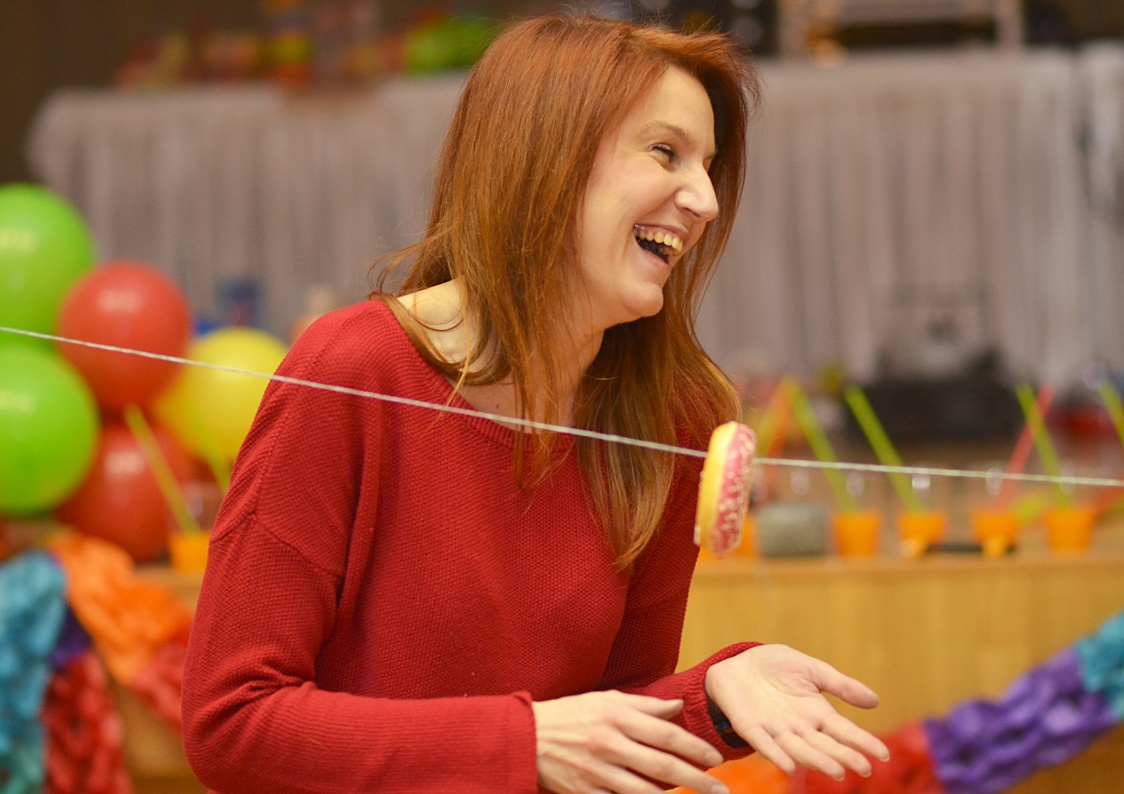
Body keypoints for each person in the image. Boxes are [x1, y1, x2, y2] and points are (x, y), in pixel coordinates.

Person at [181, 14, 890, 794]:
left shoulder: (675, 415)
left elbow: (603, 739)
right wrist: (517, 740)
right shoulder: (352, 370)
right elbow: (230, 724)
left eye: (709, 167)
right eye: (666, 152)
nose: (705, 201)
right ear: (545, 156)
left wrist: (715, 697)